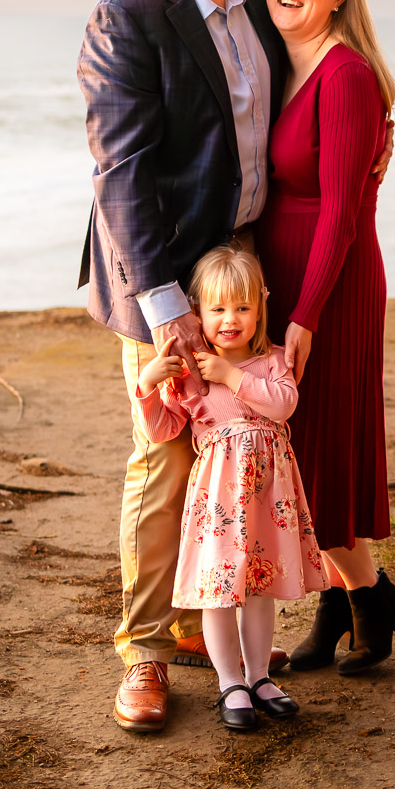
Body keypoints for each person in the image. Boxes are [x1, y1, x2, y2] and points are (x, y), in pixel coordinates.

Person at [79, 0, 391, 733]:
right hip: (163, 276)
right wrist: (168, 309)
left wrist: (372, 138)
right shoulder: (127, 14)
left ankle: (214, 619)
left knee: (247, 443)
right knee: (167, 456)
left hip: (246, 266)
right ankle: (144, 652)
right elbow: (122, 175)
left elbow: (330, 67)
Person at [257, 0, 395, 675]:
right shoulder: (280, 65)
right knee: (301, 454)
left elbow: (342, 212)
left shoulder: (345, 75)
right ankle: (342, 608)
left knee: (320, 456)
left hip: (332, 282)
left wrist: (306, 313)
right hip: (284, 280)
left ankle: (373, 596)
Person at [133, 245, 325, 731]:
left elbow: (282, 405)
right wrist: (148, 385)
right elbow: (161, 431)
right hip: (219, 502)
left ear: (261, 306)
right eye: (217, 309)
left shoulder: (273, 361)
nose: (230, 320)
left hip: (266, 500)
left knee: (259, 590)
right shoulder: (192, 377)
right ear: (198, 312)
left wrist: (232, 375)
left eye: (242, 307)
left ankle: (259, 677)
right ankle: (229, 682)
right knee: (220, 593)